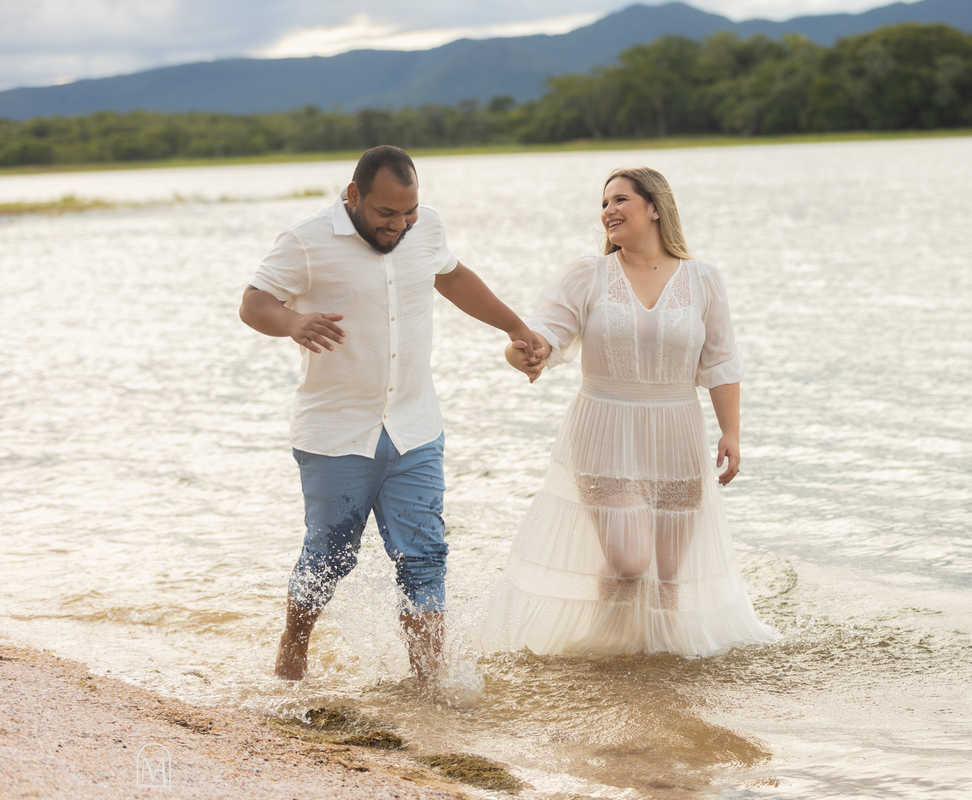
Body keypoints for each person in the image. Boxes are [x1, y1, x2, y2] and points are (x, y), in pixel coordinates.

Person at [240, 145, 544, 680]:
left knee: (424, 557)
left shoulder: (426, 229)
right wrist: (292, 322)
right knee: (330, 555)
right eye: (386, 213)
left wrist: (515, 326)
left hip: (414, 428)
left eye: (409, 212)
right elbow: (254, 302)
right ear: (354, 195)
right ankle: (293, 649)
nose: (399, 225)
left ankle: (430, 684)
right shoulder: (307, 239)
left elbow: (453, 278)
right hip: (335, 433)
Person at [479, 167, 775, 656]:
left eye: (620, 200)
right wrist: (522, 354)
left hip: (678, 431)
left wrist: (731, 432)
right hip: (604, 429)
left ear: (655, 207)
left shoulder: (703, 279)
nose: (608, 211)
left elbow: (721, 361)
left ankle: (655, 664)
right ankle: (610, 643)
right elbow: (538, 337)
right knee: (631, 560)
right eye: (604, 203)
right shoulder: (587, 275)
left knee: (668, 571)